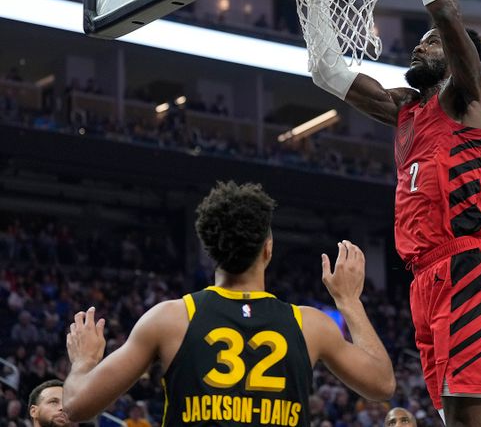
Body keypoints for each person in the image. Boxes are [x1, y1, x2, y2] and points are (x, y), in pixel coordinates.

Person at [305, 0, 481, 427]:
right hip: (422, 279)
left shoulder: (471, 96)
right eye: (421, 40)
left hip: (467, 265)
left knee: (470, 419)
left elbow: (446, 14)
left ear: (461, 58)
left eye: (434, 42)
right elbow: (328, 72)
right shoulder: (405, 109)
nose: (422, 43)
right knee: (447, 416)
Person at [62, 181, 395, 426]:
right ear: (268, 249)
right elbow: (382, 385)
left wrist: (83, 361)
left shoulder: (169, 319)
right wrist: (348, 300)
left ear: (209, 250)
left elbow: (75, 406)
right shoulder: (309, 325)